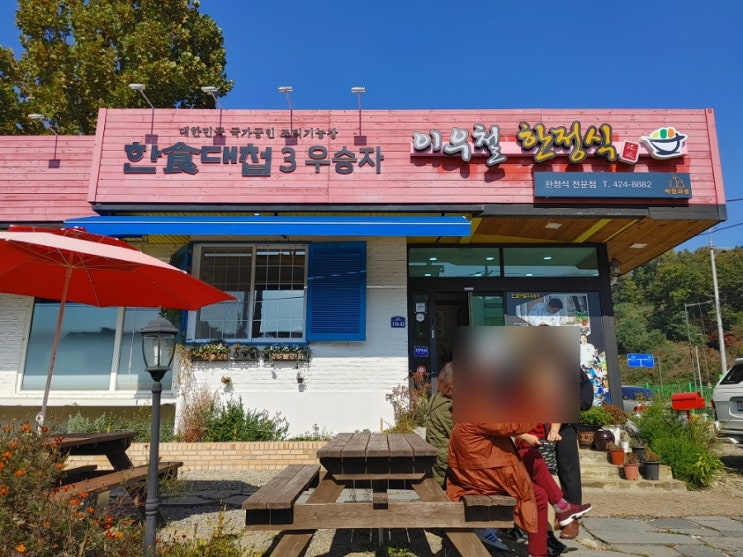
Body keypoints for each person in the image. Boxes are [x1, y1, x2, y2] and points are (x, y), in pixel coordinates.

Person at [446, 421, 588, 557]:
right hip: (482, 478)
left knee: (533, 456)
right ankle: (538, 553)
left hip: (484, 470)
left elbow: (504, 426)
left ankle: (562, 507)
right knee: (537, 495)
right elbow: (513, 425)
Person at [425, 363, 510, 552]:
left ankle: (492, 521)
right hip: (449, 466)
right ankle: (482, 524)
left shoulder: (440, 399)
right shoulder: (448, 407)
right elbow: (466, 438)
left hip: (444, 461)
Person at [516, 425, 592, 553]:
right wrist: (524, 435)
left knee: (543, 483)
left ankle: (550, 533)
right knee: (538, 491)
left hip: (538, 438)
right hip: (499, 466)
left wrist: (554, 430)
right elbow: (500, 426)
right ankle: (559, 514)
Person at [554, 367, 594, 539]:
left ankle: (572, 520)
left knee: (569, 472)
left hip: (565, 425)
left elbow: (586, 385)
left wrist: (578, 403)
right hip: (535, 426)